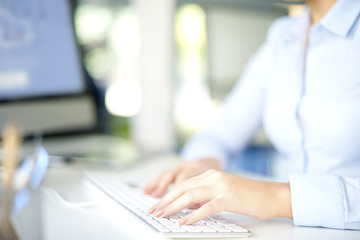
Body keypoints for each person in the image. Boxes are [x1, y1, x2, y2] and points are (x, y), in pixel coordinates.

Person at [144, 0, 360, 230]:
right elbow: (221, 134)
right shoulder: (284, 35)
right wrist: (202, 164)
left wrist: (274, 197)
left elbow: (273, 198)